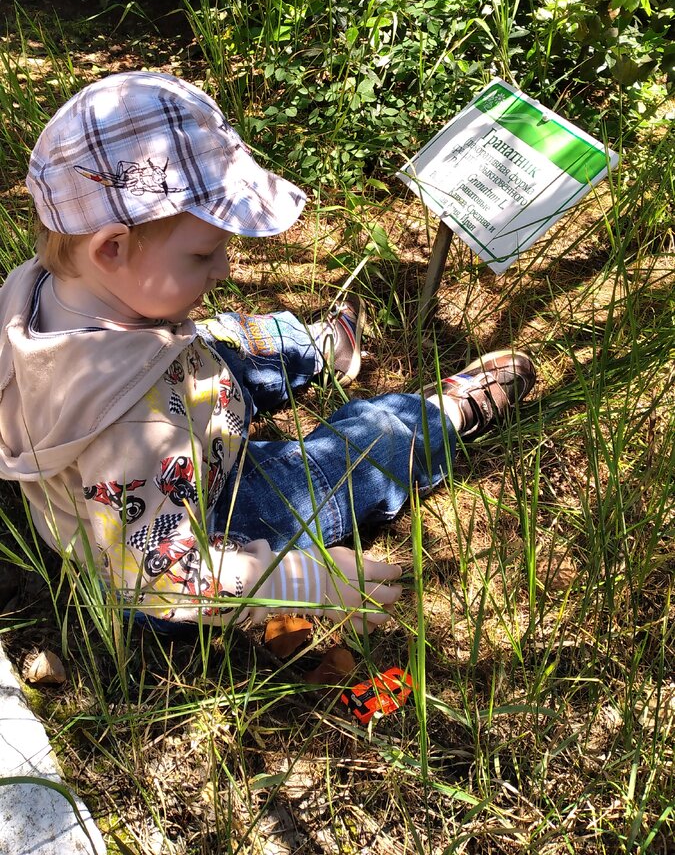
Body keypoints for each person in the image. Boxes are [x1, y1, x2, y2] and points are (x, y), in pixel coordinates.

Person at [0, 72, 535, 634]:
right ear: (111, 248)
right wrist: (300, 582)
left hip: (150, 443)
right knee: (333, 470)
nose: (225, 267)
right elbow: (161, 580)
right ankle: (429, 420)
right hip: (179, 543)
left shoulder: (33, 291)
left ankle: (317, 348)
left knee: (221, 339)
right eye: (203, 254)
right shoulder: (136, 427)